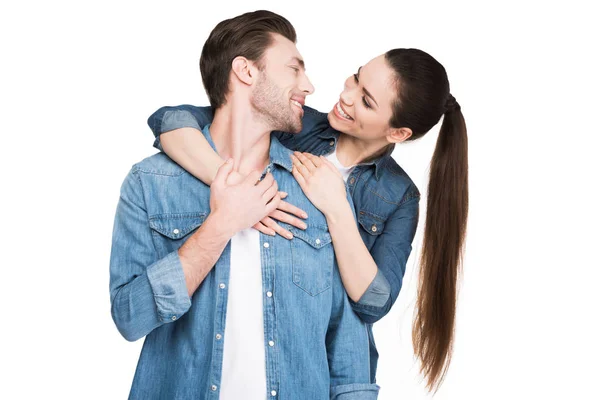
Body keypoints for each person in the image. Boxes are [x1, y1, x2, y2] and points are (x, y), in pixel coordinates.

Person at [147, 46, 468, 392]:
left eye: (366, 101)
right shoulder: (294, 125)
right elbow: (172, 121)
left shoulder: (399, 196)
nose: (345, 96)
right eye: (356, 78)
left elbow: (374, 302)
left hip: (325, 368)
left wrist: (337, 208)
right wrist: (235, 188)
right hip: (238, 342)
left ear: (397, 133)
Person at [109, 10, 379, 400]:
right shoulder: (150, 183)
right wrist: (221, 225)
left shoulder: (320, 189)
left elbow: (348, 349)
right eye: (294, 69)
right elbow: (129, 318)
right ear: (246, 71)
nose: (310, 85)